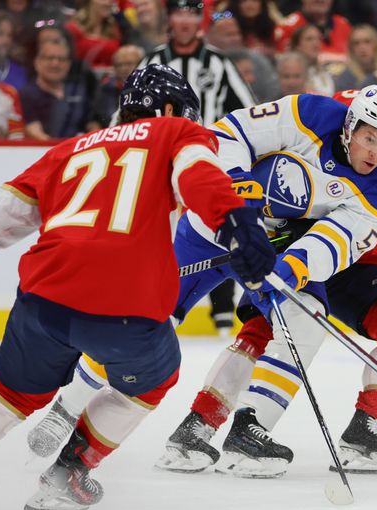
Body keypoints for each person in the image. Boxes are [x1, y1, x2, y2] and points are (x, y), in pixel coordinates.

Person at [0, 63, 275, 510]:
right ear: (169, 110)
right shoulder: (175, 132)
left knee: (11, 391)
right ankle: (68, 474)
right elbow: (199, 178)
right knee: (156, 377)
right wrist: (238, 223)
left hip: (41, 299)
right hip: (125, 305)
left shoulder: (67, 151)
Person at [27, 84, 377, 478]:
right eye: (369, 138)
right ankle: (67, 407)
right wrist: (233, 185)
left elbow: (340, 239)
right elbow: (231, 133)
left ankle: (251, 428)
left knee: (307, 317)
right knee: (149, 318)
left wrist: (295, 264)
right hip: (215, 225)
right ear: (350, 127)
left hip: (274, 249)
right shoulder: (309, 114)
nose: (375, 153)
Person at [153, 46, 377, 476]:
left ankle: (365, 432)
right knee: (264, 327)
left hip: (352, 257)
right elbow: (270, 147)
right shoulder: (343, 106)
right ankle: (198, 428)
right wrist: (258, 209)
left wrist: (299, 239)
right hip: (279, 239)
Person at [140, 0, 257, 332]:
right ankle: (155, 298)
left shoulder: (219, 62)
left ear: (201, 20)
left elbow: (247, 112)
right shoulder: (153, 60)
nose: (185, 20)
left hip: (207, 157)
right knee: (162, 226)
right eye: (180, 13)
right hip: (159, 158)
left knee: (215, 221)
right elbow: (132, 107)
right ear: (170, 19)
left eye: (192, 13)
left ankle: (222, 309)